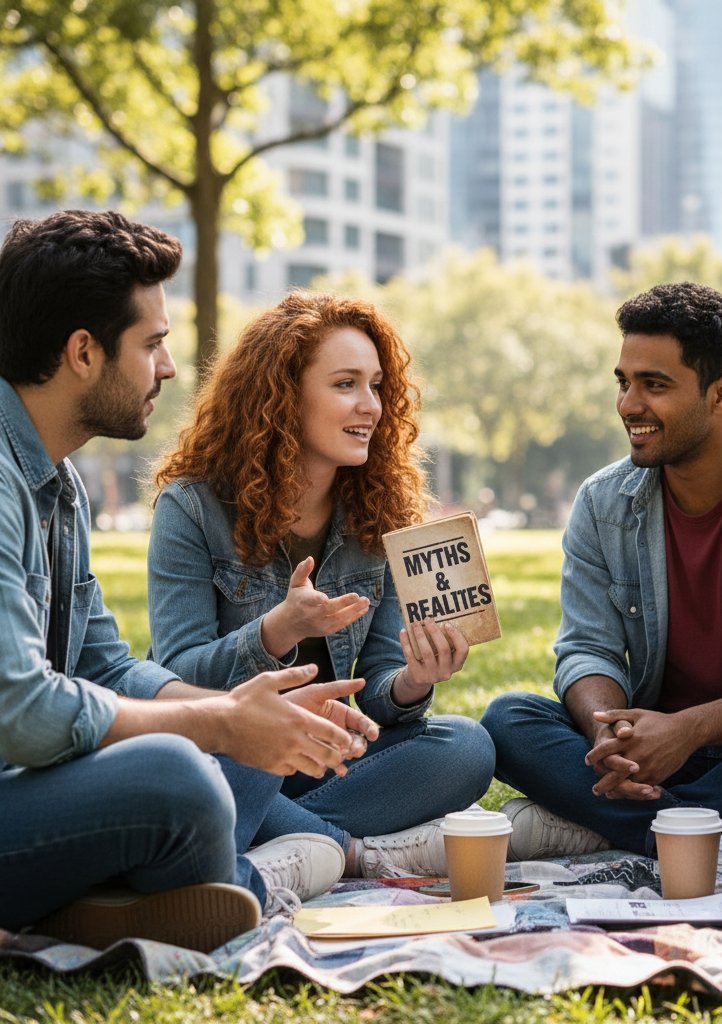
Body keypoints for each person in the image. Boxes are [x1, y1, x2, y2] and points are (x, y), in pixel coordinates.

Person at [0, 210, 381, 953]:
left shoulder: (59, 486)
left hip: (31, 784)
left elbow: (105, 665)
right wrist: (218, 723)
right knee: (179, 772)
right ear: (83, 352)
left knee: (228, 750)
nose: (169, 367)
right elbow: (24, 711)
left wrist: (239, 710)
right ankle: (230, 882)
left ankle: (108, 901)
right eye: (152, 345)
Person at [480, 281, 722, 861]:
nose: (628, 404)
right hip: (649, 749)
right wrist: (610, 734)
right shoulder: (601, 501)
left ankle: (613, 827)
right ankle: (714, 836)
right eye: (623, 382)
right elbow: (587, 649)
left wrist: (689, 730)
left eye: (654, 385)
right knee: (508, 718)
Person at [147, 291, 495, 880]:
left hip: (324, 758)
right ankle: (355, 852)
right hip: (234, 749)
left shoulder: (382, 514)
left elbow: (379, 694)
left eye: (376, 386)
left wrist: (414, 680)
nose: (371, 406)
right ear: (282, 396)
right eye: (345, 385)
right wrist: (276, 631)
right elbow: (177, 674)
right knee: (189, 768)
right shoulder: (192, 508)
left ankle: (282, 834)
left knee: (467, 746)